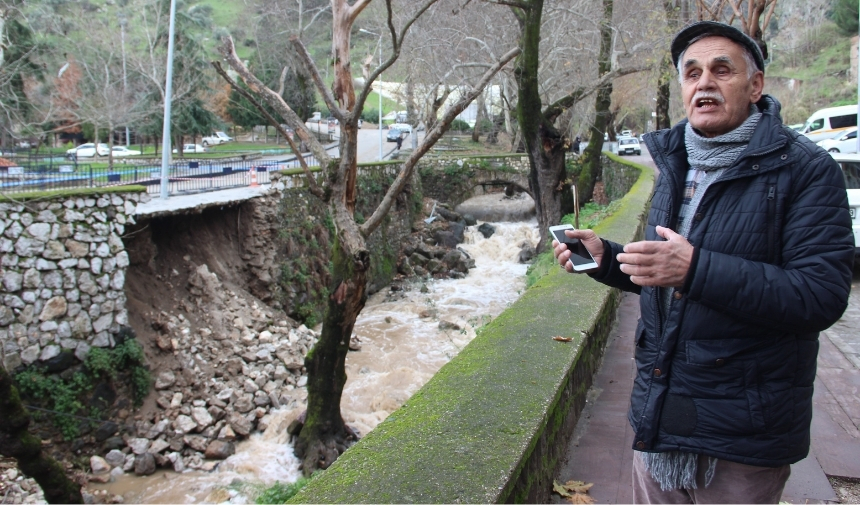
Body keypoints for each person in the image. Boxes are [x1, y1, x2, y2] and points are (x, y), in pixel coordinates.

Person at [553, 21, 854, 504]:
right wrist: (608, 259)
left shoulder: (807, 169)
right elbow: (666, 275)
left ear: (755, 86)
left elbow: (820, 296)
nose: (704, 83)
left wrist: (694, 268)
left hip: (743, 432)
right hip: (659, 415)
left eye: (721, 70)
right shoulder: (675, 161)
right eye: (691, 73)